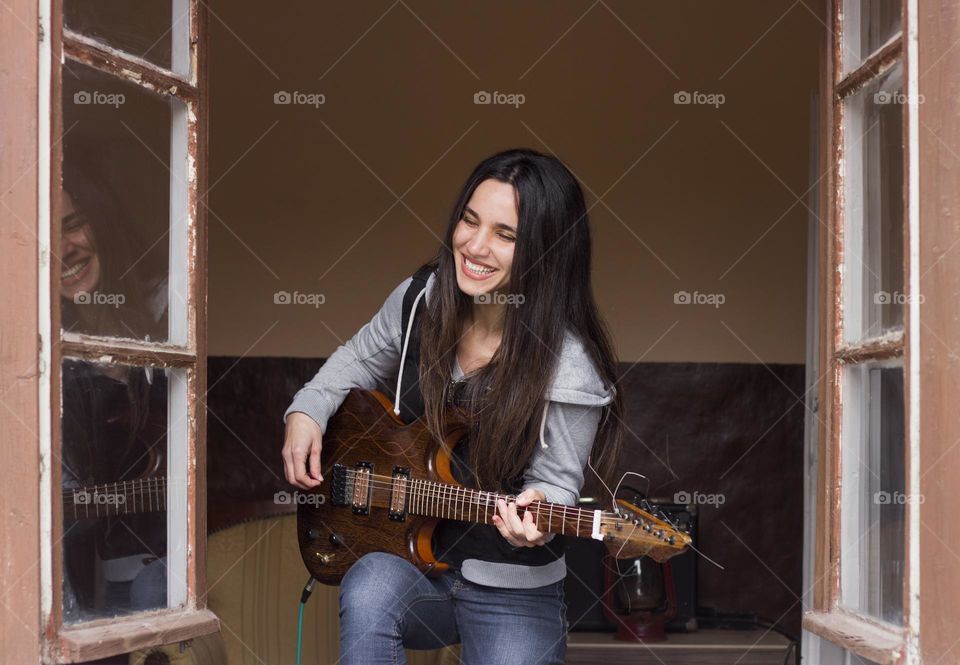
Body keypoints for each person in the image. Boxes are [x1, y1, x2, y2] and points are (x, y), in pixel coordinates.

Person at [281, 148, 624, 665]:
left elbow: (557, 486)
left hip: (512, 586)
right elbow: (355, 358)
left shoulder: (570, 366)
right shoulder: (422, 298)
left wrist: (539, 519)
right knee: (369, 585)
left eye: (506, 236)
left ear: (546, 252)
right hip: (409, 563)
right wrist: (305, 410)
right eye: (469, 220)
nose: (475, 246)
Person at [59, 157, 170, 622]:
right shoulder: (51, 348)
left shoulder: (171, 309)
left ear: (101, 220)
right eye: (46, 236)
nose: (64, 249)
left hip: (178, 567)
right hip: (97, 578)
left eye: (74, 225)